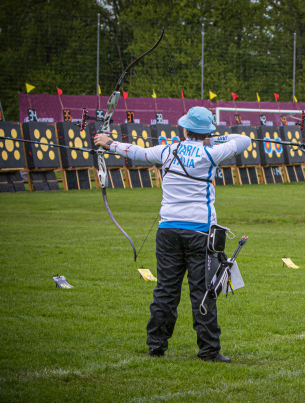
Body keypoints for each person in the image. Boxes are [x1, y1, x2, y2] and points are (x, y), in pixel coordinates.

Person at [94, 106, 251, 361]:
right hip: (201, 233)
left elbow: (137, 152)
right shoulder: (211, 152)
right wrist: (213, 138)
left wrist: (109, 143)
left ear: (185, 129)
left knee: (166, 290)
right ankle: (209, 350)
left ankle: (156, 346)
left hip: (167, 231)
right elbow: (244, 140)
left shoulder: (169, 149)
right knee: (203, 291)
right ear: (207, 132)